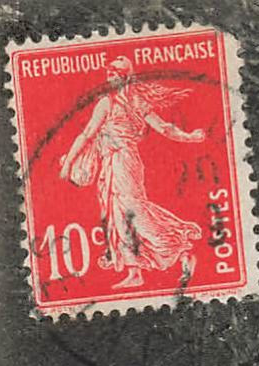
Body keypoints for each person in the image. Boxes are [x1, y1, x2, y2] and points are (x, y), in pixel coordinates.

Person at [58, 56, 206, 289]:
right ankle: (135, 270)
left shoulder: (119, 103)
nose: (110, 77)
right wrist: (68, 163)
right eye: (108, 73)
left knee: (131, 212)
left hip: (123, 161)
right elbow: (87, 135)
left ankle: (179, 250)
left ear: (125, 76)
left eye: (114, 73)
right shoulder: (116, 102)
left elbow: (163, 127)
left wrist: (188, 137)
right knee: (118, 215)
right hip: (116, 162)